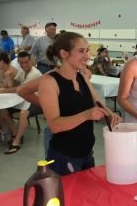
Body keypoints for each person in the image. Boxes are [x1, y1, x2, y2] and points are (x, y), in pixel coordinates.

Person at [38, 32, 121, 175]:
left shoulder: (82, 76)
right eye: (81, 51)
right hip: (64, 156)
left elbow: (98, 102)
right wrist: (87, 115)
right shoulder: (49, 82)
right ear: (64, 53)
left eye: (87, 50)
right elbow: (55, 125)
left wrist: (110, 113)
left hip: (87, 152)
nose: (87, 56)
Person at [0, 51, 42, 154]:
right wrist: (9, 77)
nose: (24, 65)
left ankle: (17, 141)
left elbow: (20, 89)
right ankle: (15, 133)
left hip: (38, 102)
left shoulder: (35, 73)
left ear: (31, 61)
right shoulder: (22, 71)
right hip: (24, 99)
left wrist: (1, 90)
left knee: (23, 114)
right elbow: (13, 84)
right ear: (18, 62)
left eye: (26, 62)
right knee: (1, 108)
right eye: (21, 63)